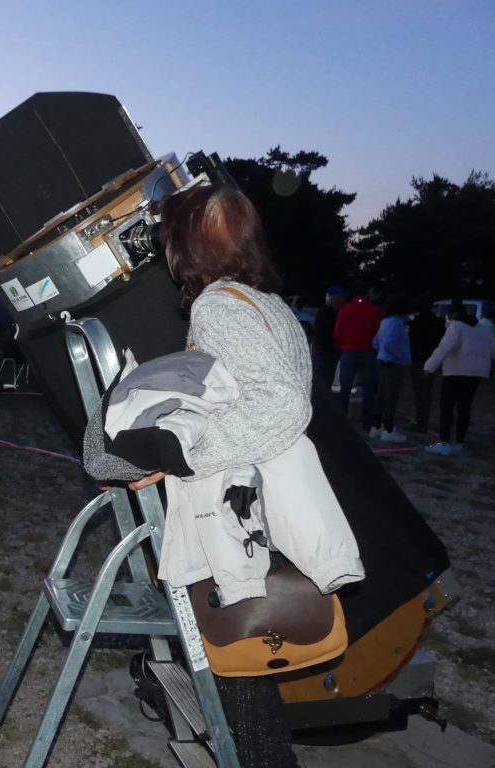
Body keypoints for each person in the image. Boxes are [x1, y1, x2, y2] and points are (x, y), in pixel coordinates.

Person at [131, 184, 317, 767]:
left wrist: (184, 457)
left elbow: (283, 406)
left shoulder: (219, 307)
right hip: (259, 499)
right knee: (244, 658)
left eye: (169, 237)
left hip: (236, 512)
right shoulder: (268, 304)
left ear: (187, 244)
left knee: (234, 661)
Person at [423, 299, 495, 456]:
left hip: (455, 372)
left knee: (447, 406)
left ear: (452, 315)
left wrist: (429, 367)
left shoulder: (455, 327)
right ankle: (459, 443)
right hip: (476, 374)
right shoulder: (484, 330)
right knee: (464, 407)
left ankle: (444, 443)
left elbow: (444, 349)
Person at [333, 287, 382, 433]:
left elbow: (337, 332)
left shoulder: (346, 309)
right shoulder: (375, 311)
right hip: (368, 352)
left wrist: (341, 347)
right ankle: (366, 421)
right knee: (368, 389)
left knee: (345, 389)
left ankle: (342, 419)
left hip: (348, 351)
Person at [370, 294, 411, 442]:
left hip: (381, 360)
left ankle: (376, 426)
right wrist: (400, 357)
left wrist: (383, 352)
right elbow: (389, 343)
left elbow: (375, 342)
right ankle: (388, 429)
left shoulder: (385, 321)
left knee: (381, 395)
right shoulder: (398, 323)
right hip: (393, 363)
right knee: (391, 397)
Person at [406, 295, 445, 433]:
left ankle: (421, 421)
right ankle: (423, 419)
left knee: (420, 391)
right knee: (426, 391)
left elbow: (409, 340)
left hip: (418, 359)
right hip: (432, 358)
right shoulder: (438, 322)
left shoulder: (414, 323)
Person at [311, 285, 349, 388]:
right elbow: (323, 335)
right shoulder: (326, 313)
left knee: (324, 379)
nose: (343, 301)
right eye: (341, 298)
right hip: (325, 352)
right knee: (323, 379)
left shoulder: (330, 312)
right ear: (334, 298)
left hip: (325, 350)